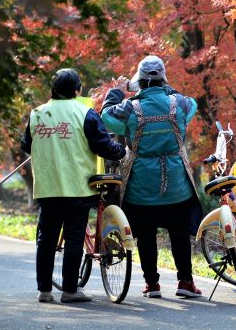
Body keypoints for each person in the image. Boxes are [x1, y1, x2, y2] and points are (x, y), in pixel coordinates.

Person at [21, 68, 127, 303]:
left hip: (47, 188)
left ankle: (44, 291)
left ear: (53, 89)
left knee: (46, 240)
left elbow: (27, 145)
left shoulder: (37, 114)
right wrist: (122, 152)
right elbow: (103, 146)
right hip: (77, 187)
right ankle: (70, 290)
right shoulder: (85, 113)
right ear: (78, 90)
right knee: (74, 238)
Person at [101, 55, 203, 299]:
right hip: (176, 184)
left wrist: (117, 92)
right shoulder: (179, 104)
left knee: (146, 235)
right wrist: (167, 89)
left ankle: (152, 284)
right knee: (179, 234)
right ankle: (185, 282)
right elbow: (192, 104)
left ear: (140, 81)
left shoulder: (130, 108)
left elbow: (106, 117)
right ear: (163, 78)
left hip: (141, 185)